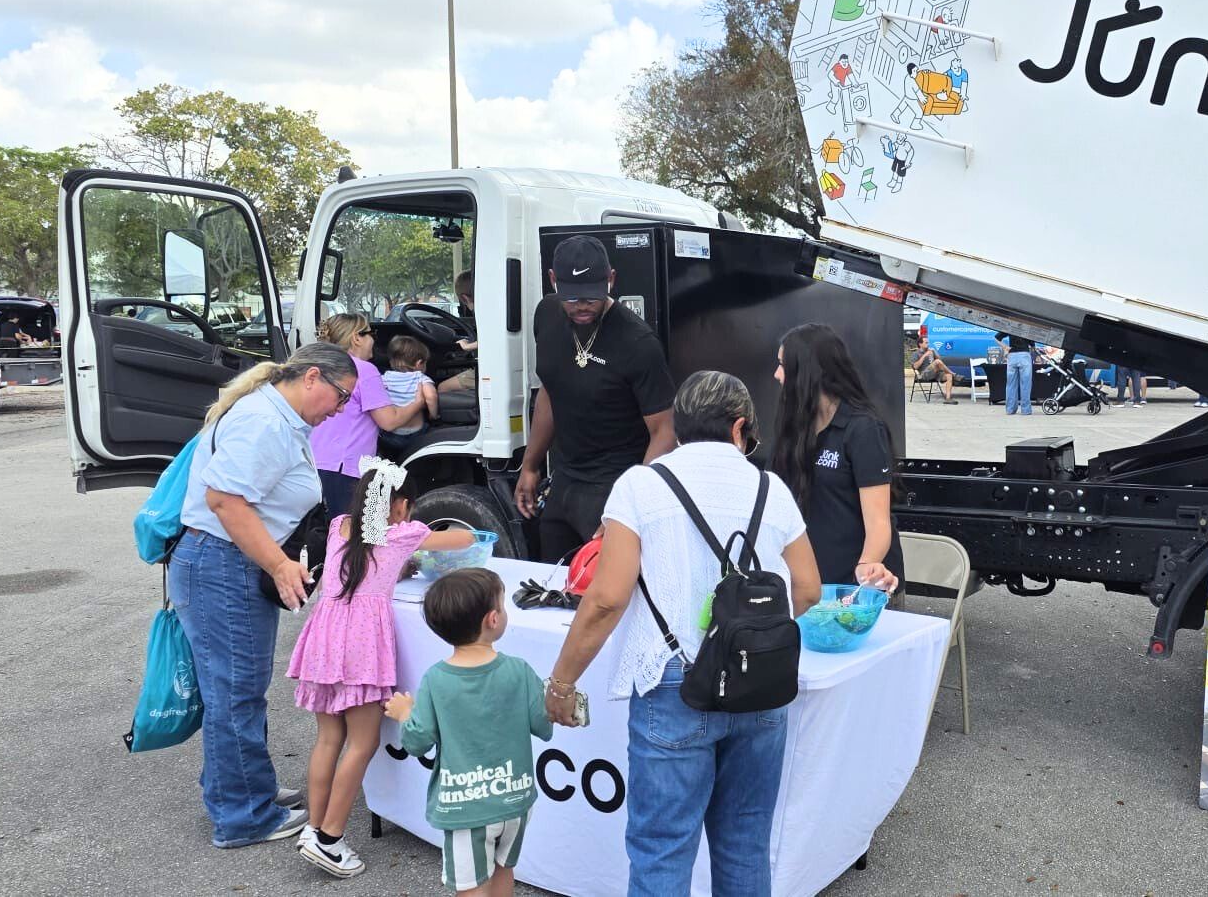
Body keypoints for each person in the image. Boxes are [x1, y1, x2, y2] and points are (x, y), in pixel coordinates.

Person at [543, 371, 823, 896]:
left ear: (676, 428)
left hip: (674, 683)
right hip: (759, 685)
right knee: (744, 841)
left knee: (662, 848)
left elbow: (606, 598)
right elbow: (806, 589)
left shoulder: (641, 485)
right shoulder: (771, 487)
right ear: (740, 428)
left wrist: (562, 682)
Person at [169, 342, 357, 849]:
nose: (340, 410)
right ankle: (242, 815)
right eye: (341, 397)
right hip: (222, 565)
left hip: (224, 563)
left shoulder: (277, 416)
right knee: (235, 693)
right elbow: (225, 501)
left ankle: (242, 790)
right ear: (313, 377)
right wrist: (277, 564)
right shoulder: (265, 422)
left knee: (235, 690)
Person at [287, 457, 474, 878]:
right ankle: (331, 840)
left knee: (328, 739)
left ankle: (314, 828)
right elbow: (463, 538)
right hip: (360, 647)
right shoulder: (404, 533)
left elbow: (364, 563)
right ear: (400, 505)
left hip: (325, 639)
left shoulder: (340, 527)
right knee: (363, 742)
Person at [385, 568, 554, 897]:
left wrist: (406, 713)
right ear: (493, 619)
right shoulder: (519, 671)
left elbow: (417, 742)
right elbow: (542, 725)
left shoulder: (436, 679)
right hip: (515, 799)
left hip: (466, 809)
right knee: (504, 869)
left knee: (471, 886)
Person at [514, 236, 676, 564]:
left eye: (592, 295)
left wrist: (631, 504)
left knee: (607, 591)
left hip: (615, 482)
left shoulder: (638, 343)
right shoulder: (546, 315)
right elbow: (551, 389)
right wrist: (530, 465)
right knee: (553, 582)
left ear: (611, 280)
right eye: (571, 296)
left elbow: (666, 431)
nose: (582, 305)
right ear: (553, 280)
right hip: (565, 478)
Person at [773, 324, 905, 592]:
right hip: (811, 585)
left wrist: (866, 567)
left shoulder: (863, 428)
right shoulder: (797, 428)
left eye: (783, 365)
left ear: (807, 372)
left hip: (857, 588)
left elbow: (879, 522)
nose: (776, 375)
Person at [312, 313, 425, 514]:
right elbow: (389, 421)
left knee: (321, 531)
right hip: (345, 467)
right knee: (346, 535)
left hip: (312, 462)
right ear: (357, 338)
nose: (373, 340)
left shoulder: (319, 366)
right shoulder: (364, 370)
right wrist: (419, 403)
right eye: (370, 334)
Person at [378, 335, 440, 452]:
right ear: (419, 363)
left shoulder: (384, 378)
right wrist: (433, 415)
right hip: (416, 434)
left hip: (391, 434)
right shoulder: (420, 378)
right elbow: (431, 397)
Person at [440, 269, 479, 395]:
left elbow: (493, 340)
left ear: (464, 298)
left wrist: (468, 346)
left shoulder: (484, 311)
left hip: (491, 370)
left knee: (443, 388)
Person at [996, 331, 1037, 415]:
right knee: (1025, 384)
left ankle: (1010, 409)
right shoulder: (1028, 327)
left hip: (1012, 356)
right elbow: (1032, 345)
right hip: (1024, 356)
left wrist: (1005, 347)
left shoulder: (1010, 325)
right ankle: (1026, 410)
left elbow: (996, 337)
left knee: (1010, 384)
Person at [909, 336, 958, 404]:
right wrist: (924, 355)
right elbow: (915, 367)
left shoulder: (930, 351)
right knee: (937, 362)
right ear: (920, 344)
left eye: (928, 343)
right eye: (926, 343)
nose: (928, 344)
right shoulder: (915, 353)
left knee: (949, 375)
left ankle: (948, 399)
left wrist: (934, 352)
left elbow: (941, 362)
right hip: (924, 375)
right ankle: (954, 374)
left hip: (935, 374)